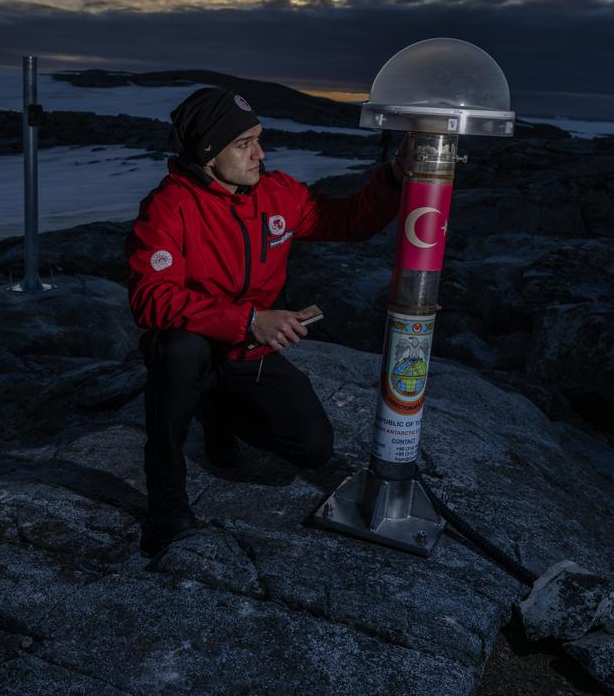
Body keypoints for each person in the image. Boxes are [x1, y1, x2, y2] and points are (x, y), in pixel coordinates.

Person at [125, 87, 406, 551]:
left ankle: (217, 408)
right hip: (197, 345)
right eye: (244, 144)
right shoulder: (169, 207)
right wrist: (249, 319)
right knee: (178, 349)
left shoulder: (278, 194)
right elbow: (150, 298)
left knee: (313, 448)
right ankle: (166, 504)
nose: (260, 153)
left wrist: (394, 177)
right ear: (208, 153)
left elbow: (350, 221)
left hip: (244, 352)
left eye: (258, 138)